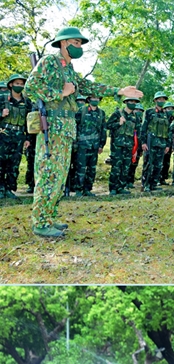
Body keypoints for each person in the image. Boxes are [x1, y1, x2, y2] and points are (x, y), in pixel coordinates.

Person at [23, 27, 142, 236]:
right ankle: (40, 223)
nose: (78, 47)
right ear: (62, 43)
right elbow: (30, 87)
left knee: (59, 176)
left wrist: (118, 91)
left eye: (80, 43)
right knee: (48, 174)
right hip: (52, 126)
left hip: (66, 128)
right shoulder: (49, 62)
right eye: (75, 43)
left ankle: (49, 216)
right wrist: (59, 92)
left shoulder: (69, 69)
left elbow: (86, 86)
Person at [0, 74, 32, 202]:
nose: (19, 86)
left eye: (21, 84)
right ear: (11, 84)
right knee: (1, 162)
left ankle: (10, 189)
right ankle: (1, 188)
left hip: (19, 135)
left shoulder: (27, 101)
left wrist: (28, 138)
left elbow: (31, 121)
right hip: (4, 133)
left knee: (14, 163)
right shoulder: (3, 99)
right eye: (17, 83)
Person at [72, 93, 106, 197]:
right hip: (82, 145)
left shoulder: (101, 113)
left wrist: (101, 145)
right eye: (93, 98)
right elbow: (75, 126)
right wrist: (74, 142)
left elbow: (103, 129)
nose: (95, 99)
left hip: (94, 146)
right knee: (80, 168)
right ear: (89, 99)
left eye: (97, 98)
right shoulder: (81, 111)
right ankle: (78, 189)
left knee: (92, 169)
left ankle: (87, 189)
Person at [106, 95, 140, 195]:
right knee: (116, 167)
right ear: (126, 102)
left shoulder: (135, 117)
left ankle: (121, 187)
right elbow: (108, 125)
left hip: (129, 146)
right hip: (117, 145)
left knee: (125, 168)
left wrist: (137, 147)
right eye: (131, 101)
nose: (133, 104)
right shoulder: (117, 114)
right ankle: (113, 188)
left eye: (135, 102)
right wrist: (118, 123)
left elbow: (138, 132)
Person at [140, 92, 172, 192]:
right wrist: (143, 142)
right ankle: (145, 185)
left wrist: (168, 145)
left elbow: (168, 131)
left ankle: (153, 184)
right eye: (159, 99)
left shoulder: (166, 114)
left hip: (162, 143)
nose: (161, 101)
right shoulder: (149, 112)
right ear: (155, 100)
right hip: (151, 142)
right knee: (149, 164)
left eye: (163, 99)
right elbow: (144, 128)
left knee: (158, 165)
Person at [160, 101, 174, 185]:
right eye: (168, 108)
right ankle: (157, 179)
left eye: (171, 109)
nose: (170, 110)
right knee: (160, 161)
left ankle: (163, 179)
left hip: (169, 144)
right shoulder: (162, 117)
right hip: (160, 142)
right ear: (165, 109)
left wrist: (173, 145)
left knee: (166, 162)